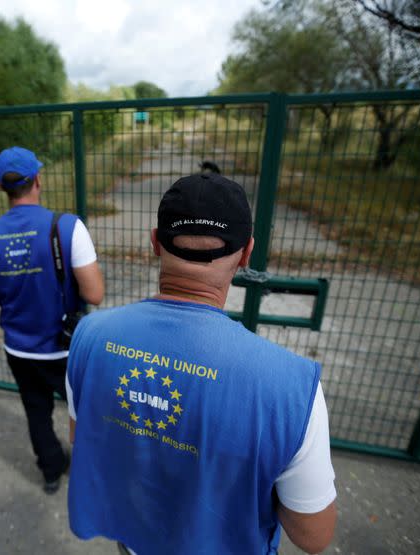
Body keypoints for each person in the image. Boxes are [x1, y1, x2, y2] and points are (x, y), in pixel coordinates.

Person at [65, 172, 336, 554]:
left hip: (133, 540)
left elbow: (84, 436)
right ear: (246, 253)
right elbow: (313, 536)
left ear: (156, 243)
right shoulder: (290, 388)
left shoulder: (90, 335)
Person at [0, 146, 104, 494]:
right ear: (38, 180)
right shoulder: (67, 226)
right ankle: (90, 472)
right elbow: (94, 294)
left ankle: (51, 472)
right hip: (65, 349)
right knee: (83, 411)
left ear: (1, 188)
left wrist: (10, 281)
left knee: (36, 412)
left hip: (19, 351)